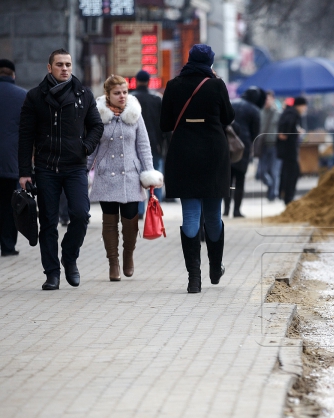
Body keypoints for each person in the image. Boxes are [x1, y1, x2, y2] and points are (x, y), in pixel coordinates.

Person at [18, 48, 104, 290]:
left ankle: (69, 257)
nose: (65, 68)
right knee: (47, 221)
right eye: (59, 65)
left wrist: (85, 147)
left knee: (80, 214)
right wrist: (25, 172)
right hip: (46, 167)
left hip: (75, 167)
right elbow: (25, 136)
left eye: (68, 64)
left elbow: (96, 126)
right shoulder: (35, 97)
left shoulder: (83, 95)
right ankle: (52, 274)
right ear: (49, 68)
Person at [161, 44, 235, 293]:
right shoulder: (216, 85)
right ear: (210, 62)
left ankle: (194, 278)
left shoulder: (174, 85)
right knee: (213, 215)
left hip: (184, 154)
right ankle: (216, 268)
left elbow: (165, 123)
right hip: (214, 153)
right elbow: (228, 117)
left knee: (191, 215)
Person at [88, 74, 163, 281]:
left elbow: (144, 146)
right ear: (108, 95)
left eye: (124, 92)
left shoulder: (135, 114)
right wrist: (83, 172)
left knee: (130, 220)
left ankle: (128, 255)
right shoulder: (97, 116)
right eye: (117, 93)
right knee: (109, 221)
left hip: (130, 175)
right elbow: (91, 148)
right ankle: (113, 262)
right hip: (106, 175)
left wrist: (149, 173)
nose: (122, 96)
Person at [225, 86, 264, 217]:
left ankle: (226, 209)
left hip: (227, 144)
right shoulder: (254, 110)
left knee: (227, 180)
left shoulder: (231, 103)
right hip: (243, 147)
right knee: (240, 179)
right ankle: (236, 210)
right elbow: (256, 132)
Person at [0, 59, 26, 257]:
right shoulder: (23, 96)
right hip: (11, 162)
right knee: (10, 206)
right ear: (13, 75)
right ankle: (8, 246)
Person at [131, 70, 165, 201]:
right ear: (149, 81)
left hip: (134, 143)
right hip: (154, 142)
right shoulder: (156, 99)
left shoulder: (131, 98)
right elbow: (163, 124)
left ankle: (139, 206)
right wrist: (163, 143)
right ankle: (156, 202)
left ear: (136, 80)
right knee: (154, 171)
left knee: (137, 175)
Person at [277, 96, 307, 205]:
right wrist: (289, 134)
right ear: (299, 105)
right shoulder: (293, 114)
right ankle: (288, 198)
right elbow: (284, 133)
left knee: (288, 172)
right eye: (304, 106)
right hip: (289, 150)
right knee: (293, 173)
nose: (305, 109)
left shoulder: (288, 112)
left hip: (286, 151)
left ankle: (286, 195)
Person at [258, 90, 281, 201]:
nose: (267, 101)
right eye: (265, 99)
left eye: (269, 98)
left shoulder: (278, 113)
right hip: (262, 145)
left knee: (273, 170)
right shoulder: (260, 112)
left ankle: (272, 194)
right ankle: (270, 185)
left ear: (273, 99)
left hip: (274, 145)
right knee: (261, 172)